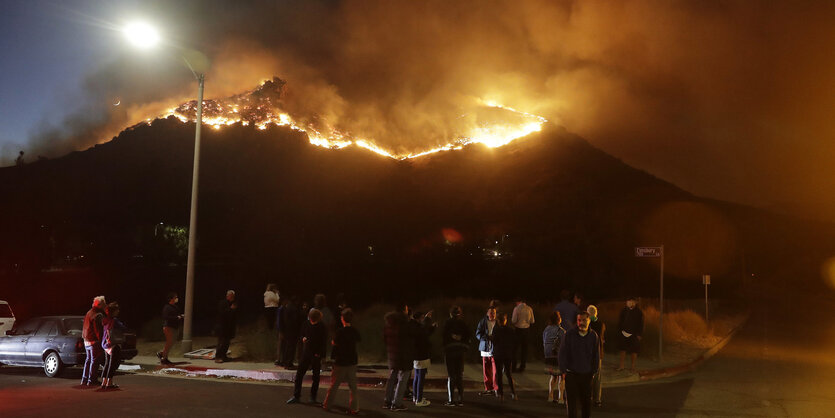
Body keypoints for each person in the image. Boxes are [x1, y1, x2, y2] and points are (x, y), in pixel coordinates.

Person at [559, 311, 600, 418]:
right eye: (579, 320)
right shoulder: (569, 334)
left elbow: (596, 355)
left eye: (584, 320)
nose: (581, 322)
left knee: (586, 403)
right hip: (571, 374)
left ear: (589, 320)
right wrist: (563, 370)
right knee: (571, 404)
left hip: (587, 375)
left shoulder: (593, 336)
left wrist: (594, 371)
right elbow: (562, 353)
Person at [323, 308, 361, 415]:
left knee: (334, 385)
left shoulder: (340, 332)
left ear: (342, 319)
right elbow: (358, 339)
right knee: (353, 387)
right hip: (352, 361)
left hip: (341, 361)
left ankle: (327, 405)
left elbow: (335, 343)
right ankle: (354, 408)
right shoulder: (354, 331)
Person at [287, 308, 328, 405]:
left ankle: (312, 397)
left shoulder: (321, 327)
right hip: (306, 353)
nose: (312, 321)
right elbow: (301, 334)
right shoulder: (306, 324)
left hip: (316, 354)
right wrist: (303, 338)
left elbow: (323, 342)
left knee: (316, 377)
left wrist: (321, 355)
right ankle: (296, 396)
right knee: (299, 375)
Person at [383, 303, 414, 411]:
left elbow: (385, 338)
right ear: (403, 311)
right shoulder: (404, 323)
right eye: (406, 310)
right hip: (403, 355)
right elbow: (410, 338)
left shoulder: (389, 323)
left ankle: (387, 401)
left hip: (392, 354)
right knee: (402, 380)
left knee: (392, 378)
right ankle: (397, 403)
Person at [442, 305, 469, 407]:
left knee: (451, 375)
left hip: (450, 350)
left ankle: (451, 400)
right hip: (460, 350)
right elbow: (468, 336)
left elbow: (444, 336)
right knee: (459, 375)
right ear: (460, 313)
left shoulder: (447, 323)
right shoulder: (463, 323)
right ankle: (461, 399)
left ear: (450, 313)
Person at [412, 310, 436, 407]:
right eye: (422, 318)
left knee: (417, 376)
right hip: (421, 355)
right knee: (420, 377)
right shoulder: (418, 327)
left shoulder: (416, 327)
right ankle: (419, 399)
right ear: (419, 319)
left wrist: (432, 328)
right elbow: (423, 333)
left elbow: (425, 333)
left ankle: (416, 397)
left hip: (417, 355)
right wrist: (427, 319)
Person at [81, 295, 106, 386]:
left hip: (86, 340)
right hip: (94, 341)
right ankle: (92, 380)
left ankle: (85, 379)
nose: (105, 306)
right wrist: (102, 341)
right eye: (104, 304)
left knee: (88, 360)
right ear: (99, 305)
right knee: (94, 361)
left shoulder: (89, 313)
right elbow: (98, 330)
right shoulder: (98, 315)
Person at [492, 312, 517, 401]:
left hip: (498, 354)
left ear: (498, 321)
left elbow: (494, 342)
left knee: (499, 374)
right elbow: (514, 342)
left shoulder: (496, 330)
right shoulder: (511, 330)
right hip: (507, 354)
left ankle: (501, 394)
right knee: (509, 374)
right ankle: (513, 393)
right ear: (505, 320)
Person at [101, 302, 127, 389]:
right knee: (113, 364)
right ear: (114, 311)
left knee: (107, 363)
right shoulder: (114, 321)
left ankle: (104, 382)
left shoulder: (105, 320)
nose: (118, 311)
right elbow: (123, 328)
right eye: (117, 310)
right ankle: (109, 383)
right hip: (113, 343)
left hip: (105, 344)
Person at [543, 311, 566, 404]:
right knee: (562, 377)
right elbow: (565, 345)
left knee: (553, 376)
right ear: (558, 319)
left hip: (548, 355)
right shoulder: (562, 331)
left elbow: (544, 342)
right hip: (559, 356)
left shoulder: (546, 329)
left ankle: (550, 396)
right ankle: (561, 398)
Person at [475, 306, 498, 396]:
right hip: (485, 349)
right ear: (487, 313)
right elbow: (478, 334)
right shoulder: (483, 322)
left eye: (494, 313)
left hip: (495, 350)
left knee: (495, 371)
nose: (492, 314)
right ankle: (488, 388)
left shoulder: (498, 322)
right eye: (491, 312)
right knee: (486, 371)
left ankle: (496, 388)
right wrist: (486, 337)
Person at [617, 297, 643, 373]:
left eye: (631, 301)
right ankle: (621, 366)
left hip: (634, 333)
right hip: (624, 332)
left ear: (634, 302)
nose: (629, 302)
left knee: (634, 351)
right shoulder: (624, 311)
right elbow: (620, 321)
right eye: (628, 301)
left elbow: (641, 324)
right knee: (622, 349)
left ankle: (632, 367)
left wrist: (639, 334)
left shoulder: (638, 312)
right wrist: (619, 331)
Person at [587, 305, 606, 406]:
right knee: (597, 377)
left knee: (588, 375)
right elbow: (602, 338)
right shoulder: (601, 324)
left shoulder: (587, 323)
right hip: (598, 352)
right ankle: (597, 399)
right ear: (596, 313)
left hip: (588, 353)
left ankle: (588, 396)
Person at [157, 292, 183, 365]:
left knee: (172, 342)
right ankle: (164, 358)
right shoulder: (167, 307)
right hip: (168, 327)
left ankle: (161, 353)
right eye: (175, 297)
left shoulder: (175, 307)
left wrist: (180, 316)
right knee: (169, 342)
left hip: (175, 327)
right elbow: (166, 317)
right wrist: (176, 317)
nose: (177, 299)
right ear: (171, 299)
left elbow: (176, 315)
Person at [511, 296, 535, 372]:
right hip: (527, 330)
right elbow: (532, 321)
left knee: (515, 349)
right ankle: (522, 367)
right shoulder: (529, 308)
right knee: (524, 350)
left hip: (518, 330)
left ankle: (514, 366)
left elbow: (513, 320)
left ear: (518, 301)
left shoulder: (516, 308)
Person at [215, 290, 237, 363]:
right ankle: (218, 357)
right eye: (231, 296)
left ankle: (224, 356)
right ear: (228, 296)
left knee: (227, 343)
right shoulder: (223, 303)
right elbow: (222, 313)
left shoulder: (233, 303)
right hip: (222, 326)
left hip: (229, 327)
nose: (233, 297)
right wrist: (230, 309)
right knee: (221, 342)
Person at [280, 295, 301, 369]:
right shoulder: (294, 309)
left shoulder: (287, 308)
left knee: (287, 347)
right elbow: (295, 321)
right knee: (291, 347)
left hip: (287, 330)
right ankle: (289, 363)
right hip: (293, 331)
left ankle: (286, 362)